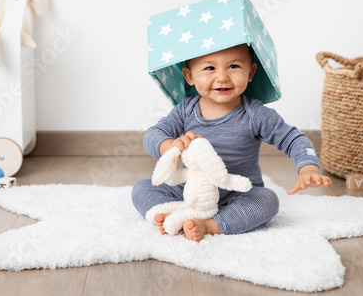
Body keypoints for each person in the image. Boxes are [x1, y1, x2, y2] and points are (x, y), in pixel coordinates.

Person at [132, 44, 331, 242]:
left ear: (250, 72)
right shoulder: (185, 110)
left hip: (239, 192)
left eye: (233, 66)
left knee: (267, 200)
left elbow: (292, 138)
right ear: (189, 76)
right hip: (192, 191)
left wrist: (308, 168)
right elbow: (153, 134)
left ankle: (211, 225)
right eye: (210, 68)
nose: (222, 77)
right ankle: (170, 213)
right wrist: (169, 145)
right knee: (142, 188)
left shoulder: (255, 114)